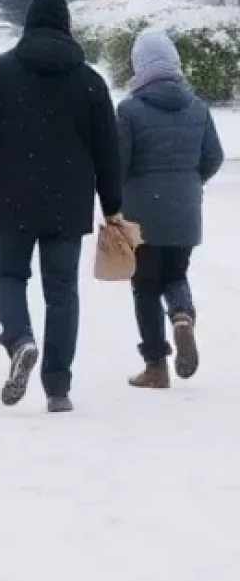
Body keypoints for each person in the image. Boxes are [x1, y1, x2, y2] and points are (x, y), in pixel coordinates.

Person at [0, 0, 122, 414]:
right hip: (69, 201)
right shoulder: (90, 82)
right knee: (62, 291)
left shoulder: (0, 72)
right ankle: (58, 387)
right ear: (67, 26)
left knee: (8, 275)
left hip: (11, 193)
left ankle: (20, 338)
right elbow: (108, 150)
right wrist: (113, 204)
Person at [118, 29, 225, 388]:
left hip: (142, 216)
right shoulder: (197, 107)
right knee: (176, 275)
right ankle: (181, 316)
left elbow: (120, 162)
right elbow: (214, 156)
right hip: (185, 211)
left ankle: (156, 366)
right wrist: (190, 183)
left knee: (145, 286)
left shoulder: (130, 110)